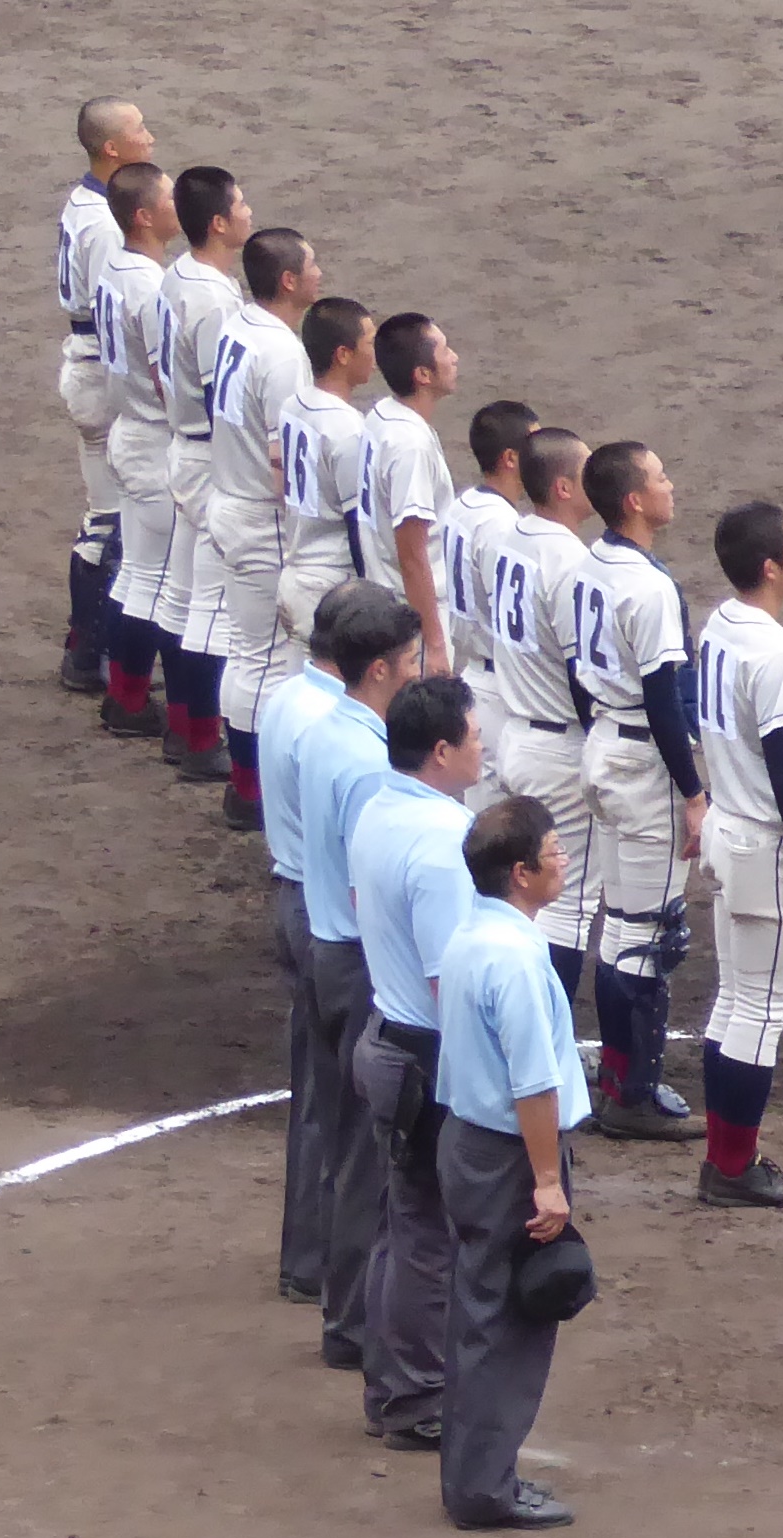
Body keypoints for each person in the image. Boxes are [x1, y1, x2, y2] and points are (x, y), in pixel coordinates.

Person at [434, 797, 592, 1533]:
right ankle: (485, 1489)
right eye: (553, 852)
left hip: (467, 1142)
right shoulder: (517, 958)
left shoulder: (470, 935)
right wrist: (548, 1182)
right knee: (508, 1328)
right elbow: (534, 1085)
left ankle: (473, 1476)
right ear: (521, 873)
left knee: (478, 1316)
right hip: (508, 1159)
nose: (563, 861)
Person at [346, 677, 488, 1451]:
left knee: (402, 1227)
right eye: (473, 734)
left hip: (389, 1040)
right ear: (440, 751)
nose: (482, 745)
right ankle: (415, 1397)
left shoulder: (381, 806)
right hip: (425, 1054)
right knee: (428, 1235)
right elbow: (448, 978)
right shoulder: (439, 843)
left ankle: (392, 1385)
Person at [293, 586, 430, 1371]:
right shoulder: (366, 760)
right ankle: (350, 1325)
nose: (416, 672)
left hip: (322, 951)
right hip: (355, 964)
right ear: (378, 668)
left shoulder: (326, 729)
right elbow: (369, 882)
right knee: (365, 1158)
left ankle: (339, 1305)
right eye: (409, 661)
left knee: (341, 1142)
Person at [568, 440, 709, 1140]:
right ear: (633, 500)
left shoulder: (588, 563)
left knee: (622, 929)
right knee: (652, 936)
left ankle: (618, 1080)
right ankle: (637, 1097)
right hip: (642, 763)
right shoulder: (647, 588)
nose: (669, 484)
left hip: (603, 746)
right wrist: (692, 791)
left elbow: (576, 668)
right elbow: (661, 699)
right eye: (659, 477)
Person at [687, 501, 783, 1205]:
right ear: (770, 567)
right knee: (760, 1012)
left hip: (727, 828)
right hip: (765, 846)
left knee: (735, 1003)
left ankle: (725, 1159)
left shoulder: (719, 625)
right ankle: (734, 1168)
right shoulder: (773, 651)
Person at [256, 582, 370, 1306]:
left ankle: (305, 1255)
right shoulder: (332, 724)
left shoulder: (286, 698)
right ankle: (330, 1260)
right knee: (344, 1098)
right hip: (323, 909)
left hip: (291, 896)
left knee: (313, 1091)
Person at [206, 226, 321, 825]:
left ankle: (246, 787)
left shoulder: (239, 324)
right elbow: (284, 462)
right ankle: (254, 793)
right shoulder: (281, 353)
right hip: (260, 519)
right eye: (312, 265)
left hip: (227, 498)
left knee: (247, 653)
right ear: (289, 280)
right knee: (268, 663)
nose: (319, 273)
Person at [483, 429, 599, 1002]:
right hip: (558, 748)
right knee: (568, 905)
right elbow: (584, 673)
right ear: (562, 487)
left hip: (515, 732)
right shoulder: (570, 559)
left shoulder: (512, 537)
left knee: (518, 895)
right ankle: (540, 1019)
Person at [156, 165, 252, 786]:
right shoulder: (214, 299)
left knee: (184, 595)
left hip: (182, 445)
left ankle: (181, 728)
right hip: (207, 457)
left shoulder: (179, 273)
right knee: (211, 610)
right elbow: (225, 400)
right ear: (217, 223)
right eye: (240, 204)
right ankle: (198, 740)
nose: (248, 212)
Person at [52, 98, 151, 695]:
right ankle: (93, 653)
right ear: (111, 147)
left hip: (86, 366)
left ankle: (88, 651)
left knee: (106, 517)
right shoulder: (104, 223)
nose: (150, 137)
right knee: (112, 523)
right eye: (139, 130)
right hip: (99, 375)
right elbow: (118, 311)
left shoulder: (86, 201)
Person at [90, 161, 177, 741]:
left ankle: (126, 693)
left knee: (139, 575)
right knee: (159, 582)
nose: (177, 206)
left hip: (128, 430)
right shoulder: (149, 284)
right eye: (168, 198)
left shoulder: (116, 268)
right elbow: (163, 374)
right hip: (152, 439)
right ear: (144, 216)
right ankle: (134, 701)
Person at [269, 297, 375, 682]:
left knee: (296, 694)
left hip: (296, 572)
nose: (375, 354)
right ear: (343, 355)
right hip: (329, 590)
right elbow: (358, 526)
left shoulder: (293, 404)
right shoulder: (348, 429)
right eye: (369, 344)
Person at [440, 403, 539, 795]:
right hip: (500, 690)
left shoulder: (463, 505)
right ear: (510, 459)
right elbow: (513, 617)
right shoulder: (502, 526)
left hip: (475, 676)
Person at [358, 315, 461, 679]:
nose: (454, 358)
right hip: (413, 620)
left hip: (386, 602)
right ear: (423, 375)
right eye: (445, 351)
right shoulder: (410, 445)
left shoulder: (382, 415)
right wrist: (434, 645)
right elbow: (413, 555)